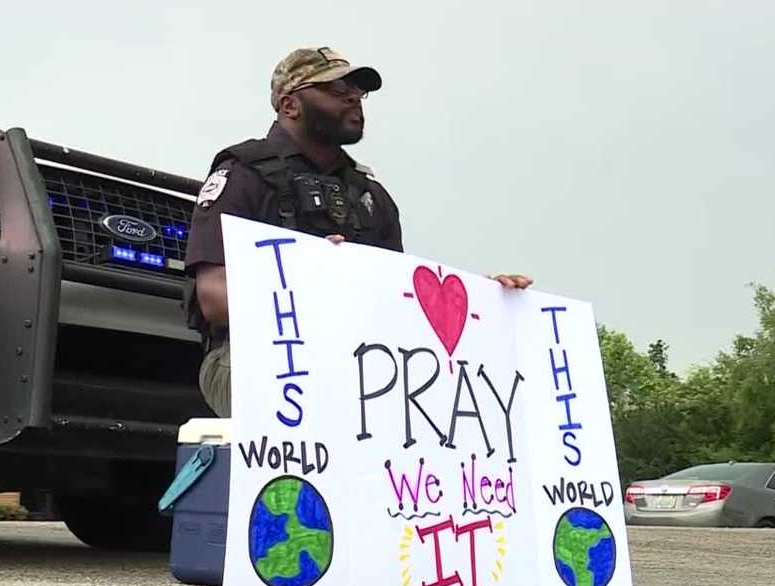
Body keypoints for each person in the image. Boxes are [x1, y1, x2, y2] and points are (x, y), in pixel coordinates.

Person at [184, 46, 532, 417]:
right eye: (335, 90)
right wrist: (316, 285)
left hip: (359, 361)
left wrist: (486, 300)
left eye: (358, 91)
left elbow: (401, 304)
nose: (354, 98)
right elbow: (214, 298)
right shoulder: (244, 175)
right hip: (255, 354)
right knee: (331, 389)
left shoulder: (370, 195)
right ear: (290, 106)